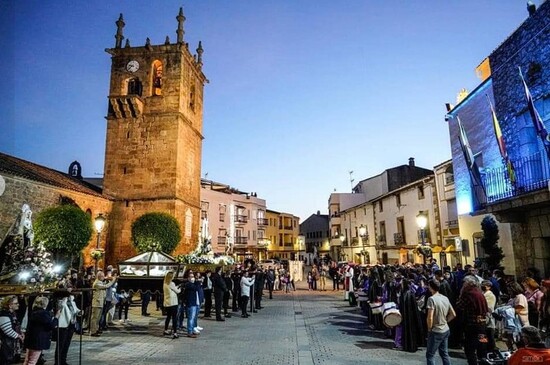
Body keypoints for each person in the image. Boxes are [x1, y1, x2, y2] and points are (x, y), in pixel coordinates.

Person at [456, 276, 489, 365]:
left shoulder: (468, 294)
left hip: (472, 325)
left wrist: (460, 295)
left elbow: (459, 306)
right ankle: (483, 361)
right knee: (482, 345)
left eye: (464, 283)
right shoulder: (479, 293)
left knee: (470, 348)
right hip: (482, 324)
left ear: (468, 284)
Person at [425, 279, 456, 365]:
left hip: (436, 330)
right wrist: (445, 321)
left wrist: (429, 328)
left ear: (431, 288)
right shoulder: (445, 298)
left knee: (430, 355)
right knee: (444, 353)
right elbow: (453, 314)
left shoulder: (431, 299)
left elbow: (430, 317)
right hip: (445, 328)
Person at [24, 296, 59, 365]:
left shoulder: (34, 311)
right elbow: (51, 325)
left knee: (27, 360)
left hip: (31, 339)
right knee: (32, 361)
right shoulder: (43, 313)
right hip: (38, 340)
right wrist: (56, 318)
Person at [54, 290, 80, 365]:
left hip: (71, 324)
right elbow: (60, 307)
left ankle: (63, 360)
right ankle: (57, 362)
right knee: (60, 345)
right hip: (63, 325)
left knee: (66, 344)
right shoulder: (60, 301)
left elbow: (75, 310)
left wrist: (79, 312)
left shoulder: (72, 302)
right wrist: (64, 299)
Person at [90, 270, 117, 337]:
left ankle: (96, 329)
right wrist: (113, 280)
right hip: (97, 303)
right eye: (102, 276)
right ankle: (93, 331)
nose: (103, 277)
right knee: (95, 318)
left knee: (98, 318)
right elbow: (106, 286)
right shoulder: (97, 283)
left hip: (100, 303)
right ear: (99, 276)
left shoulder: (100, 282)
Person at [0, 296, 24, 364]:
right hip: (5, 344)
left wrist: (21, 332)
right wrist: (18, 336)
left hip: (11, 343)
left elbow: (15, 325)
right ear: (10, 305)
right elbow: (7, 330)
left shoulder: (12, 314)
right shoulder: (4, 315)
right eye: (16, 303)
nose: (18, 304)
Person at [184, 271, 203, 338]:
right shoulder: (188, 284)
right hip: (191, 304)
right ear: (188, 278)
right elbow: (196, 288)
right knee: (191, 318)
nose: (193, 278)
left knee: (193, 317)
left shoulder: (193, 284)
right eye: (191, 277)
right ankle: (190, 332)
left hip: (194, 303)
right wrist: (198, 281)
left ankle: (192, 330)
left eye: (193, 277)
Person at [163, 271, 181, 338]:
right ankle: (175, 333)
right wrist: (180, 287)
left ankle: (166, 330)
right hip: (173, 303)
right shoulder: (171, 283)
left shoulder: (165, 283)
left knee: (168, 317)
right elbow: (178, 291)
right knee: (174, 318)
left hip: (167, 303)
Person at [481, 280, 497, 352]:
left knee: (489, 336)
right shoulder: (483, 294)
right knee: (483, 335)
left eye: (485, 285)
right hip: (483, 318)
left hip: (488, 318)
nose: (482, 286)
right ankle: (483, 349)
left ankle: (490, 350)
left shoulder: (490, 295)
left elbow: (489, 308)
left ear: (489, 287)